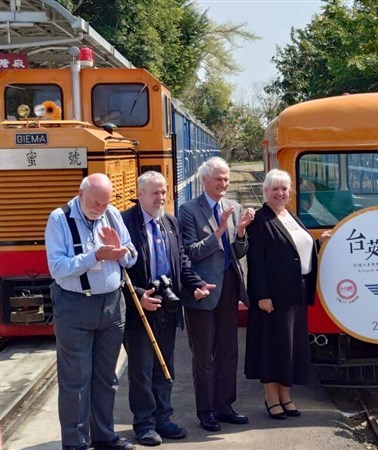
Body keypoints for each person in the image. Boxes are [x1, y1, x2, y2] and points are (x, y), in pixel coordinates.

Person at [121, 171, 216, 446]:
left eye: (163, 192)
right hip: (139, 308)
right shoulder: (126, 223)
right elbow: (116, 271)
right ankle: (145, 424)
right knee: (141, 369)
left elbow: (181, 260)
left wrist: (195, 284)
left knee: (165, 366)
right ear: (140, 195)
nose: (161, 198)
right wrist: (139, 295)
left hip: (168, 306)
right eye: (155, 193)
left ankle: (164, 418)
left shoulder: (169, 222)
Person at [44, 173, 138, 450]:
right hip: (75, 306)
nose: (100, 209)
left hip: (111, 305)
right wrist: (95, 256)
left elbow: (131, 256)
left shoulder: (111, 215)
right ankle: (75, 442)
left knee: (106, 378)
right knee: (76, 378)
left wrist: (120, 251)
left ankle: (104, 436)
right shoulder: (59, 219)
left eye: (106, 203)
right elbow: (58, 267)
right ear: (80, 193)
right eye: (96, 203)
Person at [179, 157, 255, 432]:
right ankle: (206, 411)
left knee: (228, 351)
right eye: (219, 179)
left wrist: (242, 233)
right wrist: (220, 231)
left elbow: (236, 253)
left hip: (229, 288)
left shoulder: (231, 207)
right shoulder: (188, 210)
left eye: (227, 179)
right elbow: (189, 252)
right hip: (202, 291)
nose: (224, 184)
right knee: (204, 355)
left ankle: (225, 406)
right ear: (204, 180)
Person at [245, 169, 317, 420]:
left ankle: (286, 396)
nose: (280, 193)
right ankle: (271, 399)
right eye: (275, 188)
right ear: (265, 192)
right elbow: (256, 262)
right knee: (272, 348)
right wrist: (262, 296)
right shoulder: (259, 220)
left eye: (284, 188)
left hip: (297, 293)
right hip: (273, 298)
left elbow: (300, 248)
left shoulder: (291, 216)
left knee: (291, 348)